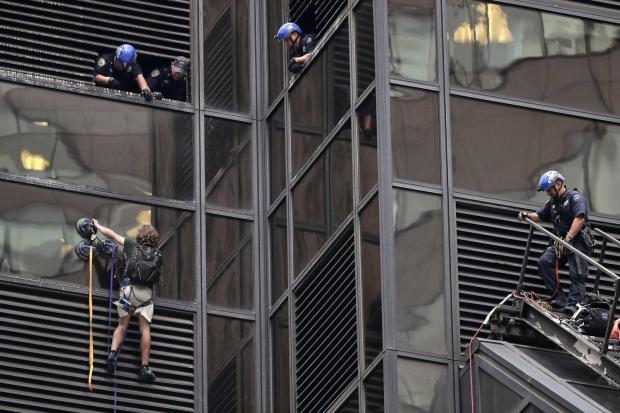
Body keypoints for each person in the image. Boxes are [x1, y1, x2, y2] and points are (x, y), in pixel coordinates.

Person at [517, 171, 595, 315]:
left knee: (577, 273)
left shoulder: (575, 198)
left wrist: (568, 239)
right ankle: (560, 299)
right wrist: (526, 214)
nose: (548, 193)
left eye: (549, 190)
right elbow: (539, 215)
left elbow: (580, 218)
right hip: (561, 241)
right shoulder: (552, 202)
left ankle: (573, 304)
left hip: (577, 241)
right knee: (545, 262)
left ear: (558, 184)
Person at [93, 219, 160, 382]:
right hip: (145, 296)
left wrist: (98, 226)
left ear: (140, 236)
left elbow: (113, 235)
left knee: (122, 325)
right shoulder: (157, 253)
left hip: (128, 292)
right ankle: (144, 367)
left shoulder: (131, 245)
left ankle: (112, 354)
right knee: (145, 330)